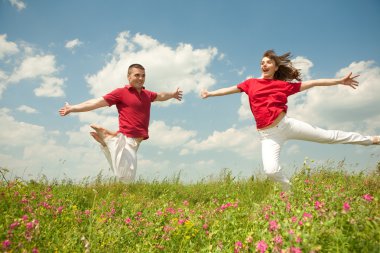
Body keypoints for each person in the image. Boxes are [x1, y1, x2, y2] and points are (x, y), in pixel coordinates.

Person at [201, 50, 379, 190]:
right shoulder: (250, 83)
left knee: (328, 137)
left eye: (268, 62)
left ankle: (372, 140)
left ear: (276, 67)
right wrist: (210, 94)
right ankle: (291, 194)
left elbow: (314, 82)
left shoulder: (284, 85)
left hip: (287, 125)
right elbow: (229, 89)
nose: (264, 65)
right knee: (270, 171)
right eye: (262, 63)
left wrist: (339, 81)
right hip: (268, 135)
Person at [59, 64, 183, 182]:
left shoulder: (147, 94)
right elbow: (96, 102)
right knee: (126, 178)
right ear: (128, 77)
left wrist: (172, 94)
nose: (141, 78)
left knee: (120, 173)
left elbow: (161, 96)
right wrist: (72, 108)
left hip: (136, 140)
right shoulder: (121, 93)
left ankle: (107, 143)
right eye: (137, 75)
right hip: (127, 137)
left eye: (143, 75)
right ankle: (109, 139)